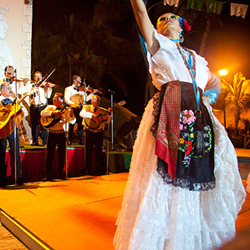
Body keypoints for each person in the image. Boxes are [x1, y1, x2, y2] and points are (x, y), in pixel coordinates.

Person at [114, 1, 246, 250]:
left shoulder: (196, 58)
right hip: (170, 111)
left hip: (199, 117)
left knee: (203, 171)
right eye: (161, 19)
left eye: (172, 17)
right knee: (167, 174)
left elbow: (215, 82)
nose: (166, 20)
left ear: (182, 28)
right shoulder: (157, 45)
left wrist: (209, 96)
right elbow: (140, 11)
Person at [40, 92, 75, 181]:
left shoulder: (66, 110)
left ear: (61, 100)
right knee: (49, 154)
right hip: (52, 133)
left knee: (61, 154)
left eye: (56, 99)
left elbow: (73, 122)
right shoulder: (50, 107)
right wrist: (53, 112)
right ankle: (47, 175)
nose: (54, 100)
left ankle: (60, 173)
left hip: (61, 133)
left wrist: (71, 114)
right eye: (54, 98)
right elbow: (42, 114)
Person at [80, 95, 112, 175]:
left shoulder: (103, 110)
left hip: (99, 132)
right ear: (91, 101)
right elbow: (82, 114)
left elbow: (107, 121)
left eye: (98, 101)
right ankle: (87, 169)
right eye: (95, 100)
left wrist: (109, 115)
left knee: (99, 151)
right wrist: (92, 115)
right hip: (89, 132)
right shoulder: (86, 107)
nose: (96, 102)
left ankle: (99, 169)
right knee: (88, 151)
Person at [0, 82, 23, 187]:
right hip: (2, 130)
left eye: (11, 88)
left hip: (12, 129)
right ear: (2, 90)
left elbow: (19, 113)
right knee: (1, 155)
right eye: (8, 88)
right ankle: (2, 179)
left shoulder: (14, 101)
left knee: (16, 154)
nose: (10, 89)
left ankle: (18, 177)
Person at [64, 75, 96, 145]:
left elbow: (86, 99)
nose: (80, 82)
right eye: (79, 80)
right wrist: (74, 104)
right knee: (71, 125)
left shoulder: (82, 90)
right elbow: (66, 99)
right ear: (74, 81)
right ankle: (69, 139)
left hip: (81, 109)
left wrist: (92, 93)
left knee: (80, 125)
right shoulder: (68, 89)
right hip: (72, 108)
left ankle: (81, 140)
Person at [29, 71, 52, 146]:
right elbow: (25, 92)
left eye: (39, 76)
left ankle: (45, 141)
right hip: (33, 106)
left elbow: (48, 96)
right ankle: (35, 141)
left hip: (42, 106)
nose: (38, 78)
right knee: (34, 124)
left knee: (43, 124)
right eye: (36, 76)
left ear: (42, 78)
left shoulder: (44, 86)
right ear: (34, 77)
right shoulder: (31, 85)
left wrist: (48, 88)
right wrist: (33, 88)